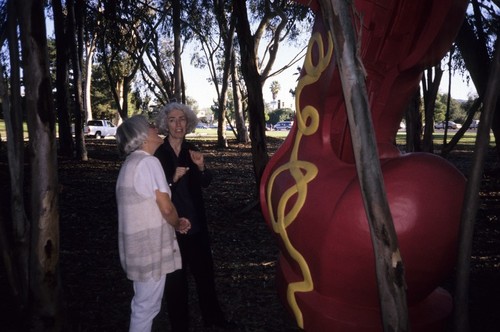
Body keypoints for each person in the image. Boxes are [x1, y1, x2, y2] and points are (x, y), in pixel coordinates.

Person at [154, 103, 236, 330]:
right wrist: (172, 179)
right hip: (172, 226)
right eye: (172, 120)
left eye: (182, 119)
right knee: (176, 282)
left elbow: (206, 182)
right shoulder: (159, 154)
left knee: (205, 277)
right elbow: (154, 192)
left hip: (196, 225)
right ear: (165, 124)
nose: (178, 124)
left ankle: (214, 320)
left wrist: (201, 168)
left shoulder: (192, 148)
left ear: (187, 122)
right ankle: (180, 326)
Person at [115, 115, 191, 332]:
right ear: (142, 136)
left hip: (136, 249)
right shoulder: (149, 162)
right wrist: (178, 224)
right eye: (150, 127)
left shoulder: (130, 164)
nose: (155, 128)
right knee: (145, 308)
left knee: (141, 304)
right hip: (149, 250)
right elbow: (166, 207)